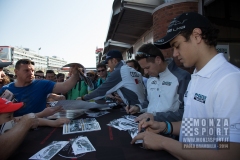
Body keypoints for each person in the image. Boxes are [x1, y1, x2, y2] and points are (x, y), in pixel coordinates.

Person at [131, 12, 240, 159]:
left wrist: (164, 142)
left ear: (196, 36)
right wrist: (165, 127)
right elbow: (203, 128)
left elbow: (229, 155)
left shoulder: (230, 80)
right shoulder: (196, 76)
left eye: (177, 46)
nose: (175, 54)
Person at [127, 43, 191, 123]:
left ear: (158, 60)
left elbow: (186, 112)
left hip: (170, 130)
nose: (145, 72)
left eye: (147, 67)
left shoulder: (182, 77)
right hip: (148, 125)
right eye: (143, 69)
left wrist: (155, 117)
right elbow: (149, 102)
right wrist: (138, 107)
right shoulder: (150, 78)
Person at [0, 59, 81, 116]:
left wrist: (75, 74)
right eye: (26, 70)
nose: (31, 73)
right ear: (16, 72)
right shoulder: (5, 90)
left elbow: (65, 87)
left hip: (41, 128)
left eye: (32, 70)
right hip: (17, 130)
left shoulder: (42, 84)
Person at [0, 97, 69, 160]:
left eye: (13, 115)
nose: (13, 119)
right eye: (9, 116)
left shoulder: (11, 121)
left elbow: (28, 120)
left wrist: (52, 123)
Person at [78, 50, 145, 107]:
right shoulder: (133, 70)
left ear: (114, 60)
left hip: (136, 109)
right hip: (143, 106)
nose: (108, 65)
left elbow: (101, 91)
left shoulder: (119, 71)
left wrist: (83, 98)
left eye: (108, 62)